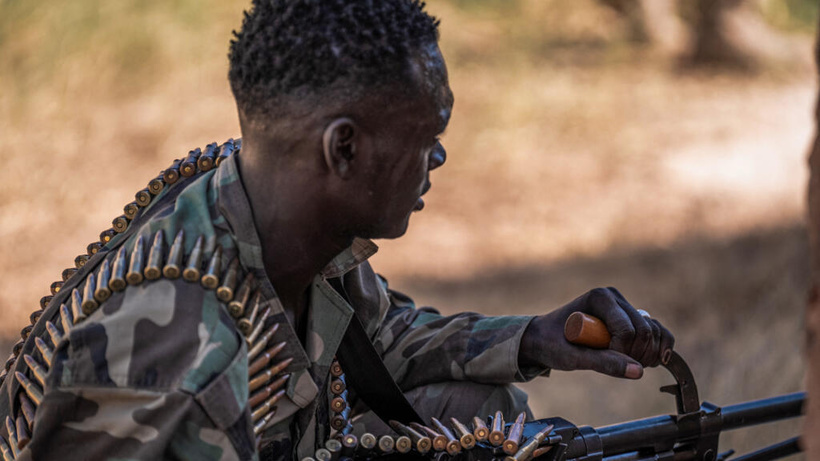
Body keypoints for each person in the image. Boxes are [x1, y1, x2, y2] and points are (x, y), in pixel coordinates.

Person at [0, 1, 674, 460]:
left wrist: (534, 336)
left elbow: (380, 343)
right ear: (343, 149)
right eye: (427, 136)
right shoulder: (170, 350)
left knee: (483, 412)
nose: (437, 158)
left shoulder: (288, 222)